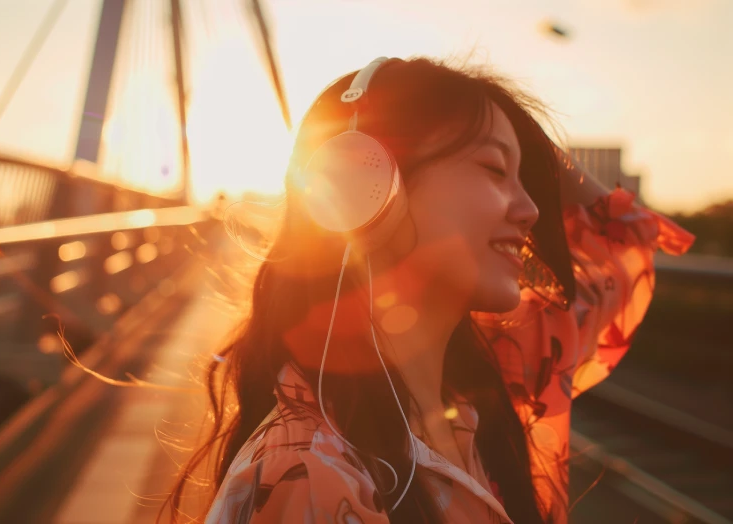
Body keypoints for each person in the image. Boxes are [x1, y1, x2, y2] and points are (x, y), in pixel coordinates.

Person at [162, 56, 695, 523]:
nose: (531, 211)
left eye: (526, 179)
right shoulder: (313, 480)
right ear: (363, 184)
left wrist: (509, 125)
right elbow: (619, 237)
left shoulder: (489, 385)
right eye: (494, 168)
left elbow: (622, 245)